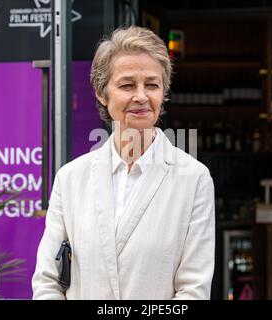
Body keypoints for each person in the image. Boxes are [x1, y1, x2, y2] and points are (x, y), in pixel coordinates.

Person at [32, 26, 215, 300]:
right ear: (101, 93)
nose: (141, 96)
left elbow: (193, 290)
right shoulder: (71, 178)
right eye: (127, 85)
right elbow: (48, 282)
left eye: (152, 85)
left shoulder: (194, 179)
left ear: (163, 92)